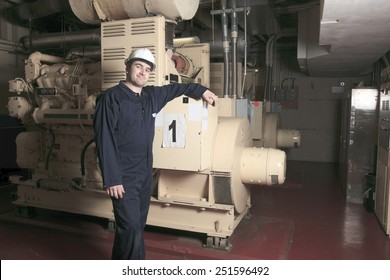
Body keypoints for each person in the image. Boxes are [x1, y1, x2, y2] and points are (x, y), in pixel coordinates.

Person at [93, 48, 218, 260]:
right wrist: (112, 179)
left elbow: (176, 89)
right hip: (123, 176)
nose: (143, 72)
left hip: (144, 173)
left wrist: (200, 90)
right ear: (128, 67)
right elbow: (104, 139)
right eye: (138, 66)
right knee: (131, 226)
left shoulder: (150, 96)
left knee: (135, 227)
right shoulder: (111, 98)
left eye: (147, 69)